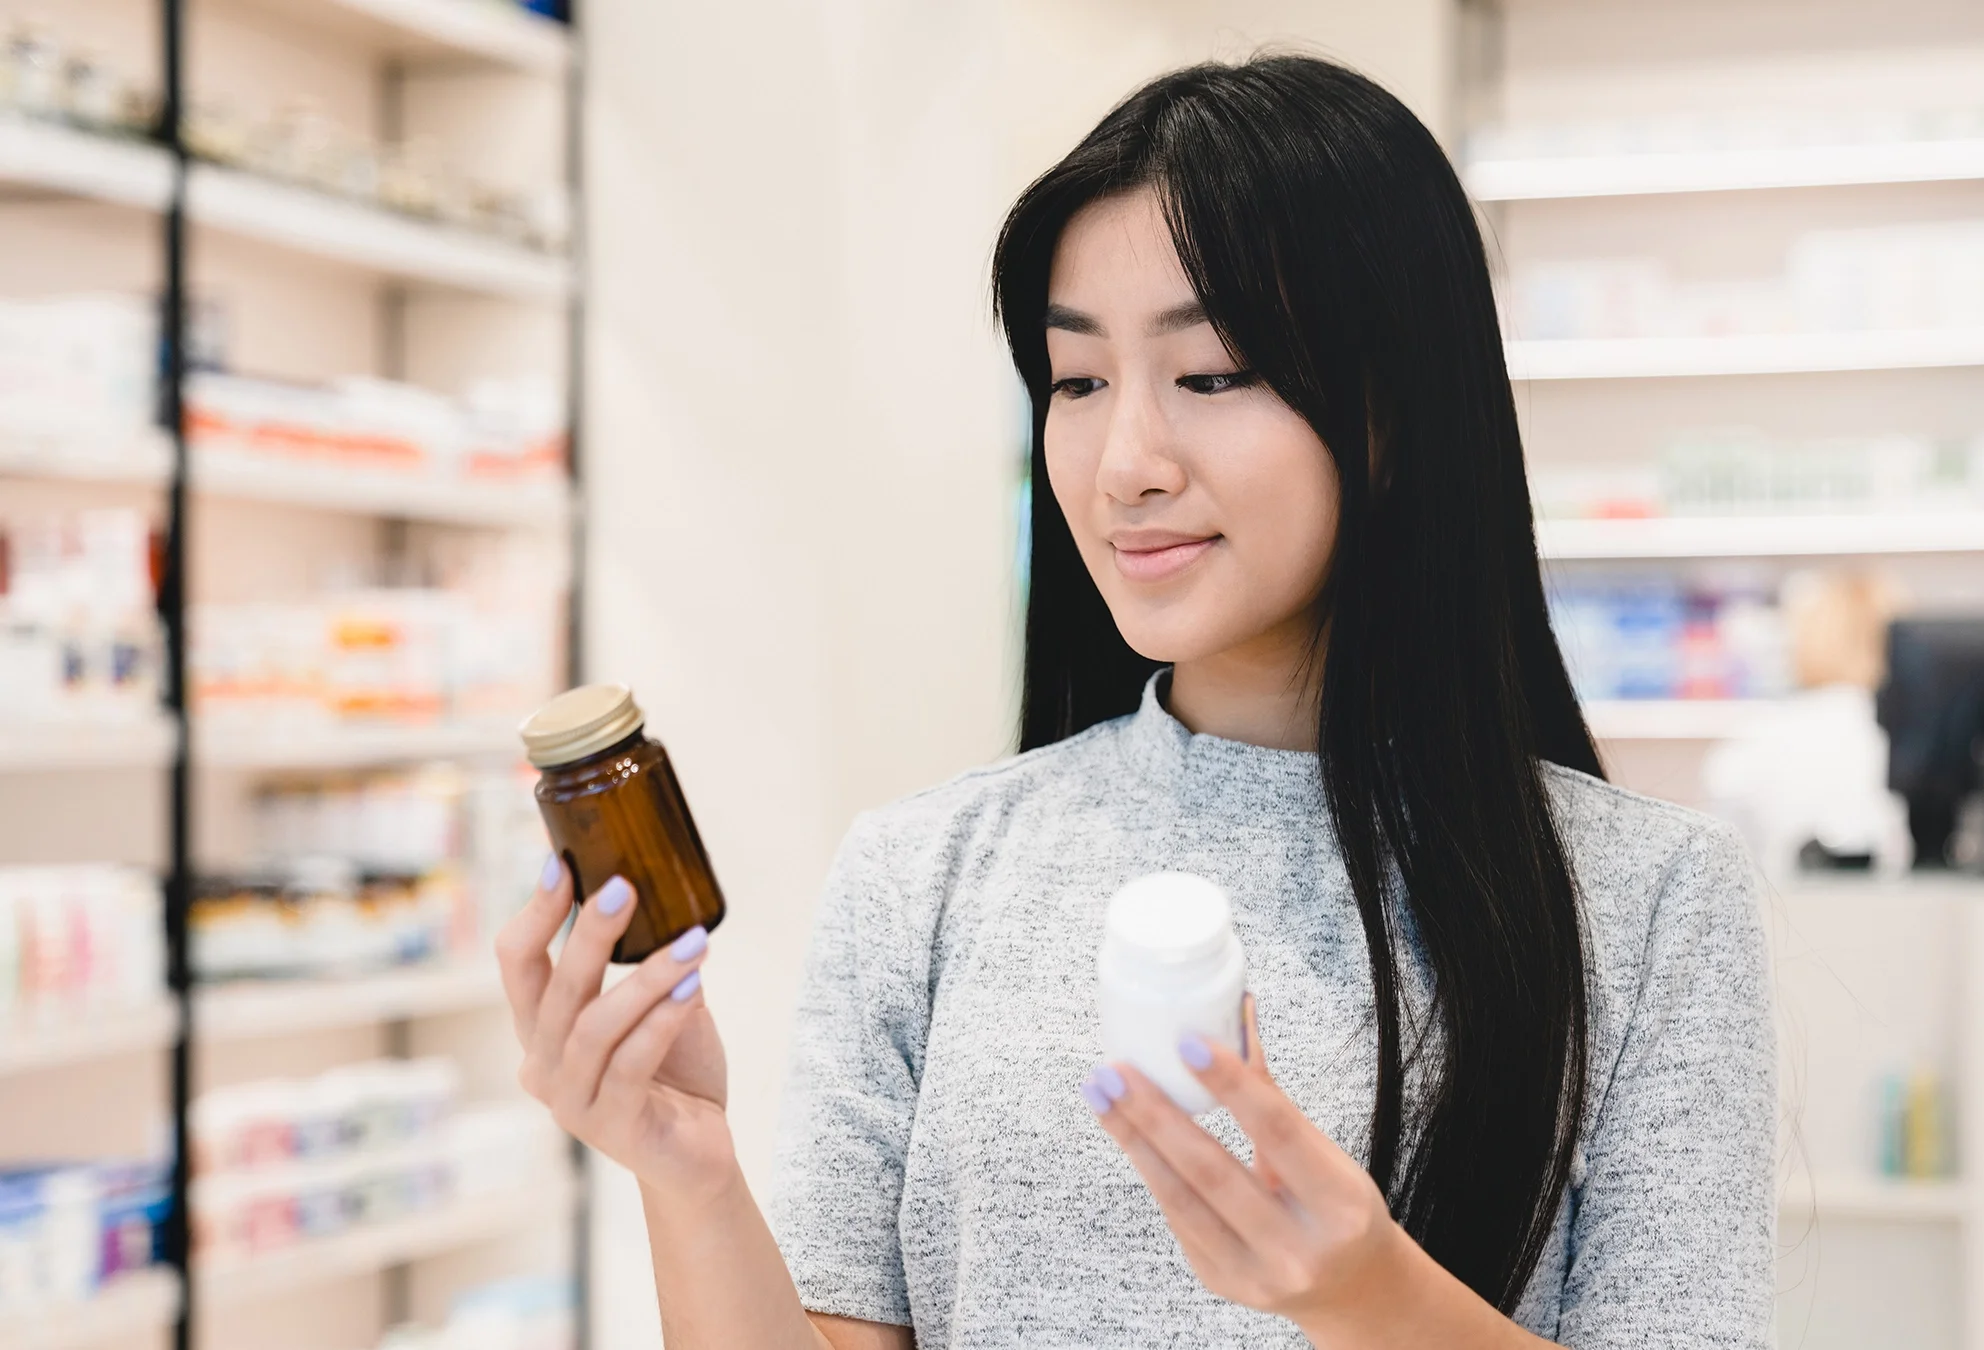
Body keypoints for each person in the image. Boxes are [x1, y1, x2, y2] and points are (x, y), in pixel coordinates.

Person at [497, 55, 1773, 1350]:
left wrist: (1376, 1304)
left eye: (1209, 373)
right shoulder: (925, 870)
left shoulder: (1648, 900)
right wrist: (690, 1175)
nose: (1125, 465)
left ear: (1396, 405)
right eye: (1078, 382)